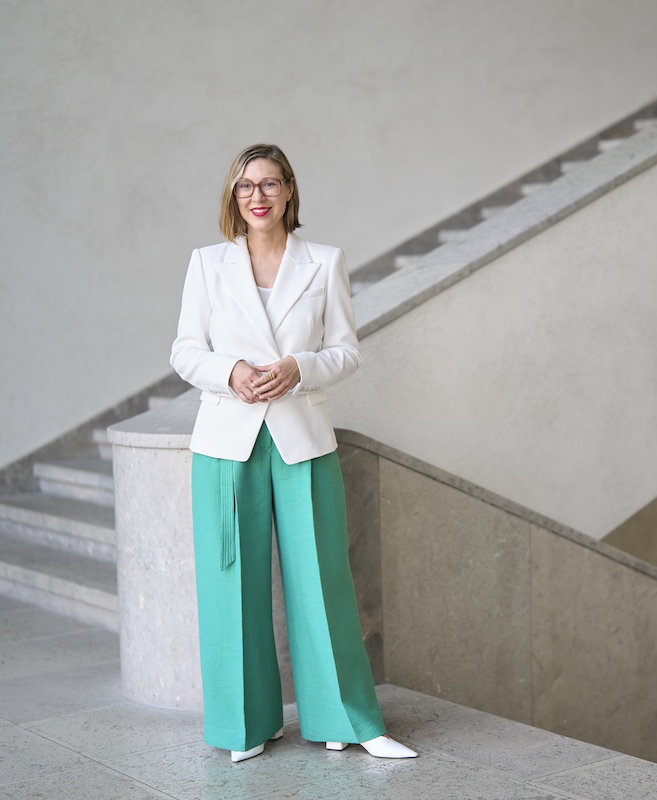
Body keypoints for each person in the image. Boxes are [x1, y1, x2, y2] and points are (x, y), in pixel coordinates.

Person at [170, 143, 415, 763]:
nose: (258, 195)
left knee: (322, 578)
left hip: (302, 438)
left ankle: (347, 721)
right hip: (228, 441)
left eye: (270, 184)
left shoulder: (323, 262)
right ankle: (245, 727)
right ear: (234, 196)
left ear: (289, 192)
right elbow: (183, 351)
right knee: (231, 584)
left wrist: (298, 368)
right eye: (246, 186)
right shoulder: (206, 264)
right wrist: (231, 373)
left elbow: (347, 350)